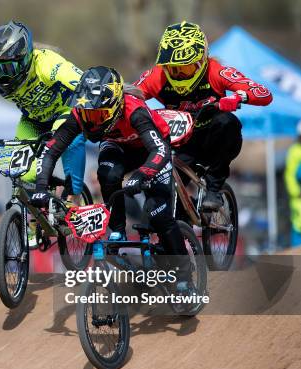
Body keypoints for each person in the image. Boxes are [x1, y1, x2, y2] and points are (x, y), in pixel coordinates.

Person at [31, 66, 192, 291]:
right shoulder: (80, 113)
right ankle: (117, 230)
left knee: (159, 214)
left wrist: (142, 174)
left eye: (99, 115)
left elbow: (160, 151)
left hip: (151, 151)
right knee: (107, 174)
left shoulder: (134, 111)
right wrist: (40, 187)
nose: (93, 123)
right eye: (88, 115)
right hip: (118, 147)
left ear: (116, 106)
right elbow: (51, 150)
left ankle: (184, 276)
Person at [135, 21, 272, 209]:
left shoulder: (216, 71)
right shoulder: (156, 76)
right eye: (173, 69)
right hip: (180, 144)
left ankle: (214, 188)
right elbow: (128, 97)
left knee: (227, 122)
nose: (180, 75)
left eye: (186, 68)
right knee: (160, 193)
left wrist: (239, 97)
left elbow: (264, 93)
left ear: (201, 60)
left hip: (211, 140)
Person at [0, 21, 88, 200]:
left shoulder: (46, 63)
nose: (3, 74)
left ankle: (73, 197)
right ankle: (45, 207)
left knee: (72, 142)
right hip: (33, 122)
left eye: (9, 66)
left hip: (64, 113)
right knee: (23, 171)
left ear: (25, 59)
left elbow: (84, 82)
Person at [284, 120, 301, 247]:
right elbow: (290, 175)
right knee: (299, 224)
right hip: (299, 198)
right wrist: (297, 191)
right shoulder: (295, 151)